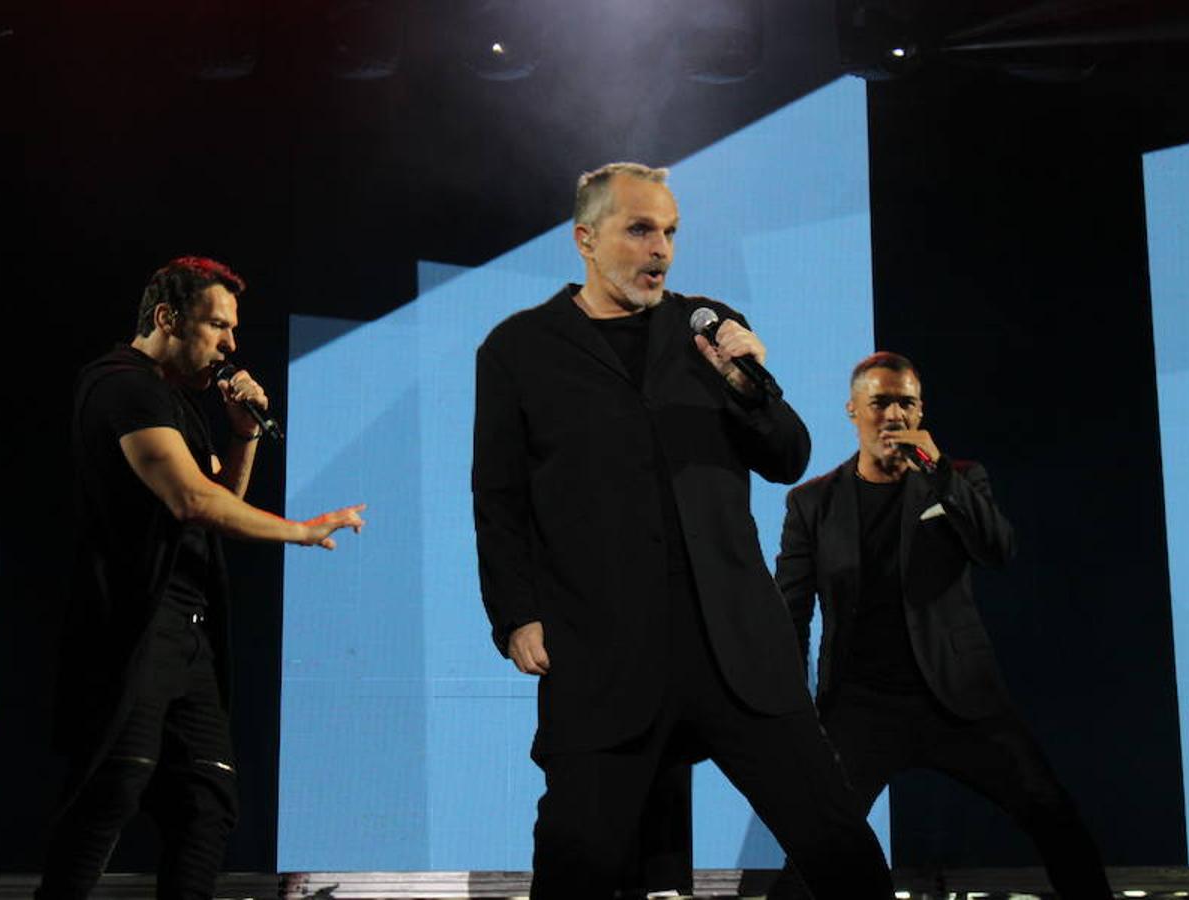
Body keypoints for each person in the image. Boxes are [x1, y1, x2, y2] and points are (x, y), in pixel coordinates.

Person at [472, 163, 894, 899]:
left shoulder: (707, 332)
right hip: (602, 650)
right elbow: (499, 498)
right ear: (585, 239)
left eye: (669, 231)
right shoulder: (519, 350)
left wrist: (747, 386)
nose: (660, 248)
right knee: (575, 865)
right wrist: (516, 615)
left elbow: (788, 455)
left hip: (733, 645)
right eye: (639, 229)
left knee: (843, 855)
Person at [38, 257, 366, 900]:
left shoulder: (178, 405)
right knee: (113, 789)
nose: (231, 345)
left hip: (189, 632)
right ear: (168, 318)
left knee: (206, 805)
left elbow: (215, 506)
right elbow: (191, 501)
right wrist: (300, 529)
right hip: (136, 625)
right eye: (218, 326)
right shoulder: (121, 385)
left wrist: (244, 435)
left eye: (232, 329)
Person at [767, 351, 1113, 900]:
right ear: (853, 411)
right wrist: (796, 714)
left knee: (1052, 812)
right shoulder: (812, 503)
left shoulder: (959, 479)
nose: (894, 416)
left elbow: (998, 549)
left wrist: (941, 474)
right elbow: (790, 613)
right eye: (880, 403)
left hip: (958, 698)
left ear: (921, 410)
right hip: (861, 706)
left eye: (906, 403)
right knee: (814, 847)